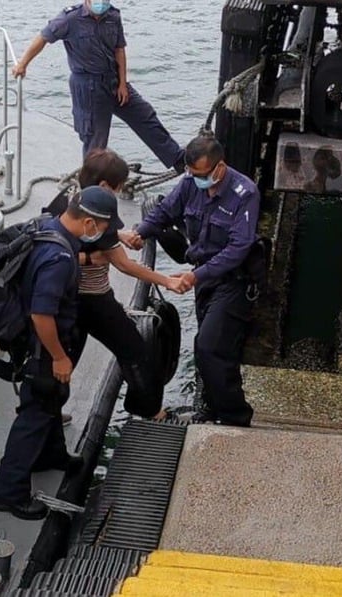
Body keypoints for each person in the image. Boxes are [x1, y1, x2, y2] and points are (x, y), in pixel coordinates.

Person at [0, 186, 122, 520]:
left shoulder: (48, 229)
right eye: (103, 226)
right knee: (37, 411)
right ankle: (7, 491)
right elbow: (42, 314)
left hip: (33, 344)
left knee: (51, 402)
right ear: (90, 222)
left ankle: (51, 454)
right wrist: (59, 357)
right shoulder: (59, 259)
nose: (103, 233)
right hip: (43, 348)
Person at [45, 149, 187, 420]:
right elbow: (124, 265)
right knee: (134, 351)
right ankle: (150, 410)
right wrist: (167, 280)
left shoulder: (66, 203)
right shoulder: (101, 217)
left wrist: (115, 238)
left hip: (66, 299)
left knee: (68, 355)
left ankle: (51, 410)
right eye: (119, 187)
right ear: (104, 186)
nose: (120, 192)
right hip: (95, 300)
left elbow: (50, 243)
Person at [129, 134, 260, 427]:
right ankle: (211, 410)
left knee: (210, 345)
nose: (197, 180)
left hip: (232, 282)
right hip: (203, 280)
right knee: (212, 348)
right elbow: (165, 212)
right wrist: (142, 231)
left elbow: (238, 248)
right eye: (193, 174)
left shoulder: (244, 193)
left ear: (219, 168)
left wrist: (194, 275)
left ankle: (235, 416)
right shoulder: (190, 183)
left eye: (202, 175)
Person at [12, 0, 186, 173]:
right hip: (88, 85)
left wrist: (123, 83)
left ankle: (178, 159)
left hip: (114, 80)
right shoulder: (69, 18)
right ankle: (91, 186)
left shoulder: (113, 16)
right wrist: (23, 64)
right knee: (96, 138)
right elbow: (43, 38)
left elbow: (119, 49)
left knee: (144, 115)